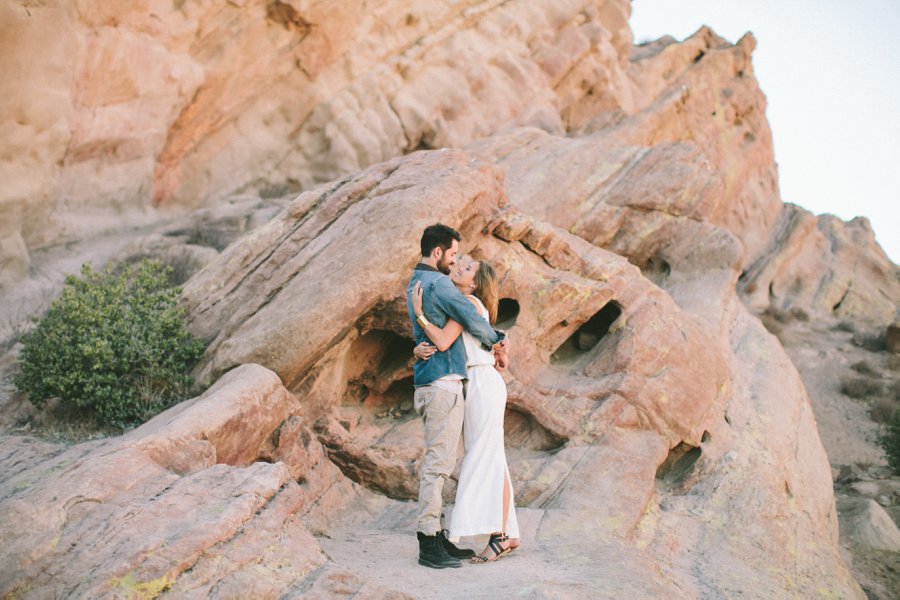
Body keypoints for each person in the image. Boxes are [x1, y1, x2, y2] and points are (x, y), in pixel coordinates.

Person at [406, 223, 509, 569]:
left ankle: (438, 536)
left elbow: (428, 331)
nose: (454, 263)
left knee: (445, 462)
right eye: (452, 256)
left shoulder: (415, 282)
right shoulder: (439, 284)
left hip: (435, 382)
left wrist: (417, 346)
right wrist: (499, 339)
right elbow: (468, 321)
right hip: (443, 384)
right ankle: (428, 542)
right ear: (437, 253)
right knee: (438, 466)